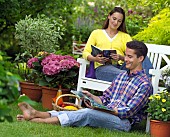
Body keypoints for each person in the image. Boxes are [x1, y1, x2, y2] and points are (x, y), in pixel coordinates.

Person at [17, 40, 153, 132]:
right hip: (108, 113)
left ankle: (36, 120)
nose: (126, 59)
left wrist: (103, 110)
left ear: (140, 58)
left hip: (123, 123)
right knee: (82, 111)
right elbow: (105, 99)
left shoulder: (145, 84)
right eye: (126, 55)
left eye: (129, 57)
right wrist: (92, 97)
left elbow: (127, 112)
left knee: (88, 113)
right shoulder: (122, 76)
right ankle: (36, 114)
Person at [82, 7, 153, 82]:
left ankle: (149, 79)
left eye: (119, 21)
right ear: (109, 16)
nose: (116, 23)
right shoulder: (96, 33)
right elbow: (85, 52)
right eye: (114, 19)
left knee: (140, 54)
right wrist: (95, 59)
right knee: (124, 74)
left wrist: (120, 57)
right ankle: (138, 79)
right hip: (103, 68)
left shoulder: (125, 36)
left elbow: (132, 54)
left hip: (122, 66)